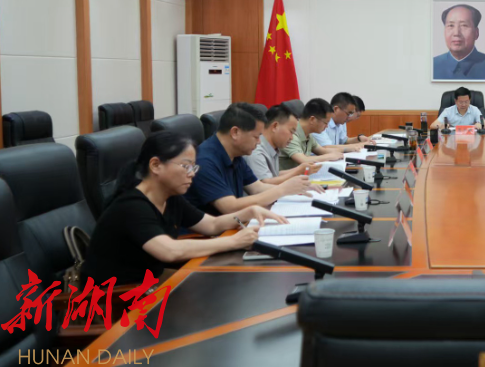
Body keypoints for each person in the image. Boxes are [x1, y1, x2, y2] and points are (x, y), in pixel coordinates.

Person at [81, 131, 286, 284]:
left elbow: (212, 224)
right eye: (186, 166)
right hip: (113, 301)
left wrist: (248, 212)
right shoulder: (131, 206)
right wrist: (233, 241)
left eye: (193, 167)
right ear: (155, 165)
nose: (192, 174)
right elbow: (170, 251)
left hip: (148, 286)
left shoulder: (169, 197)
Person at [184, 103, 315, 215]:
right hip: (210, 234)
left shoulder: (236, 154)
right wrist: (282, 190)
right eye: (256, 137)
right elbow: (229, 206)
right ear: (235, 132)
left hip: (233, 225)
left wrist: (297, 187)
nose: (259, 142)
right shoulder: (204, 161)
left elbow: (257, 188)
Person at [246, 105, 322, 184]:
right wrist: (298, 171)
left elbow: (274, 175)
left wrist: (301, 170)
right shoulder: (256, 150)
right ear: (275, 126)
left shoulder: (273, 147)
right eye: (291, 132)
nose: (292, 138)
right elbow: (266, 183)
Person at [280, 98, 344, 171]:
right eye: (326, 123)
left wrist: (341, 154)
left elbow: (322, 150)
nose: (327, 126)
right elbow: (304, 160)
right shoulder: (291, 134)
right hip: (285, 177)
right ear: (312, 119)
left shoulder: (308, 134)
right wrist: (329, 157)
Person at [432, 4, 485, 80]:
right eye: (451, 25)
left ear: (476, 33)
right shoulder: (432, 65)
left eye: (464, 25)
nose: (456, 33)